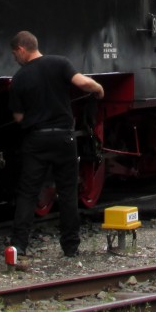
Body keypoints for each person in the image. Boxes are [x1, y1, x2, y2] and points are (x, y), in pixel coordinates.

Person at [7, 30, 104, 264]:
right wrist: (99, 89)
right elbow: (82, 83)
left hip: (36, 140)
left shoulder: (19, 78)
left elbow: (18, 118)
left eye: (14, 54)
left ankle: (19, 245)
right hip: (63, 138)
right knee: (68, 192)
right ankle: (70, 247)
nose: (14, 59)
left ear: (21, 49)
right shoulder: (60, 63)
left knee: (28, 193)